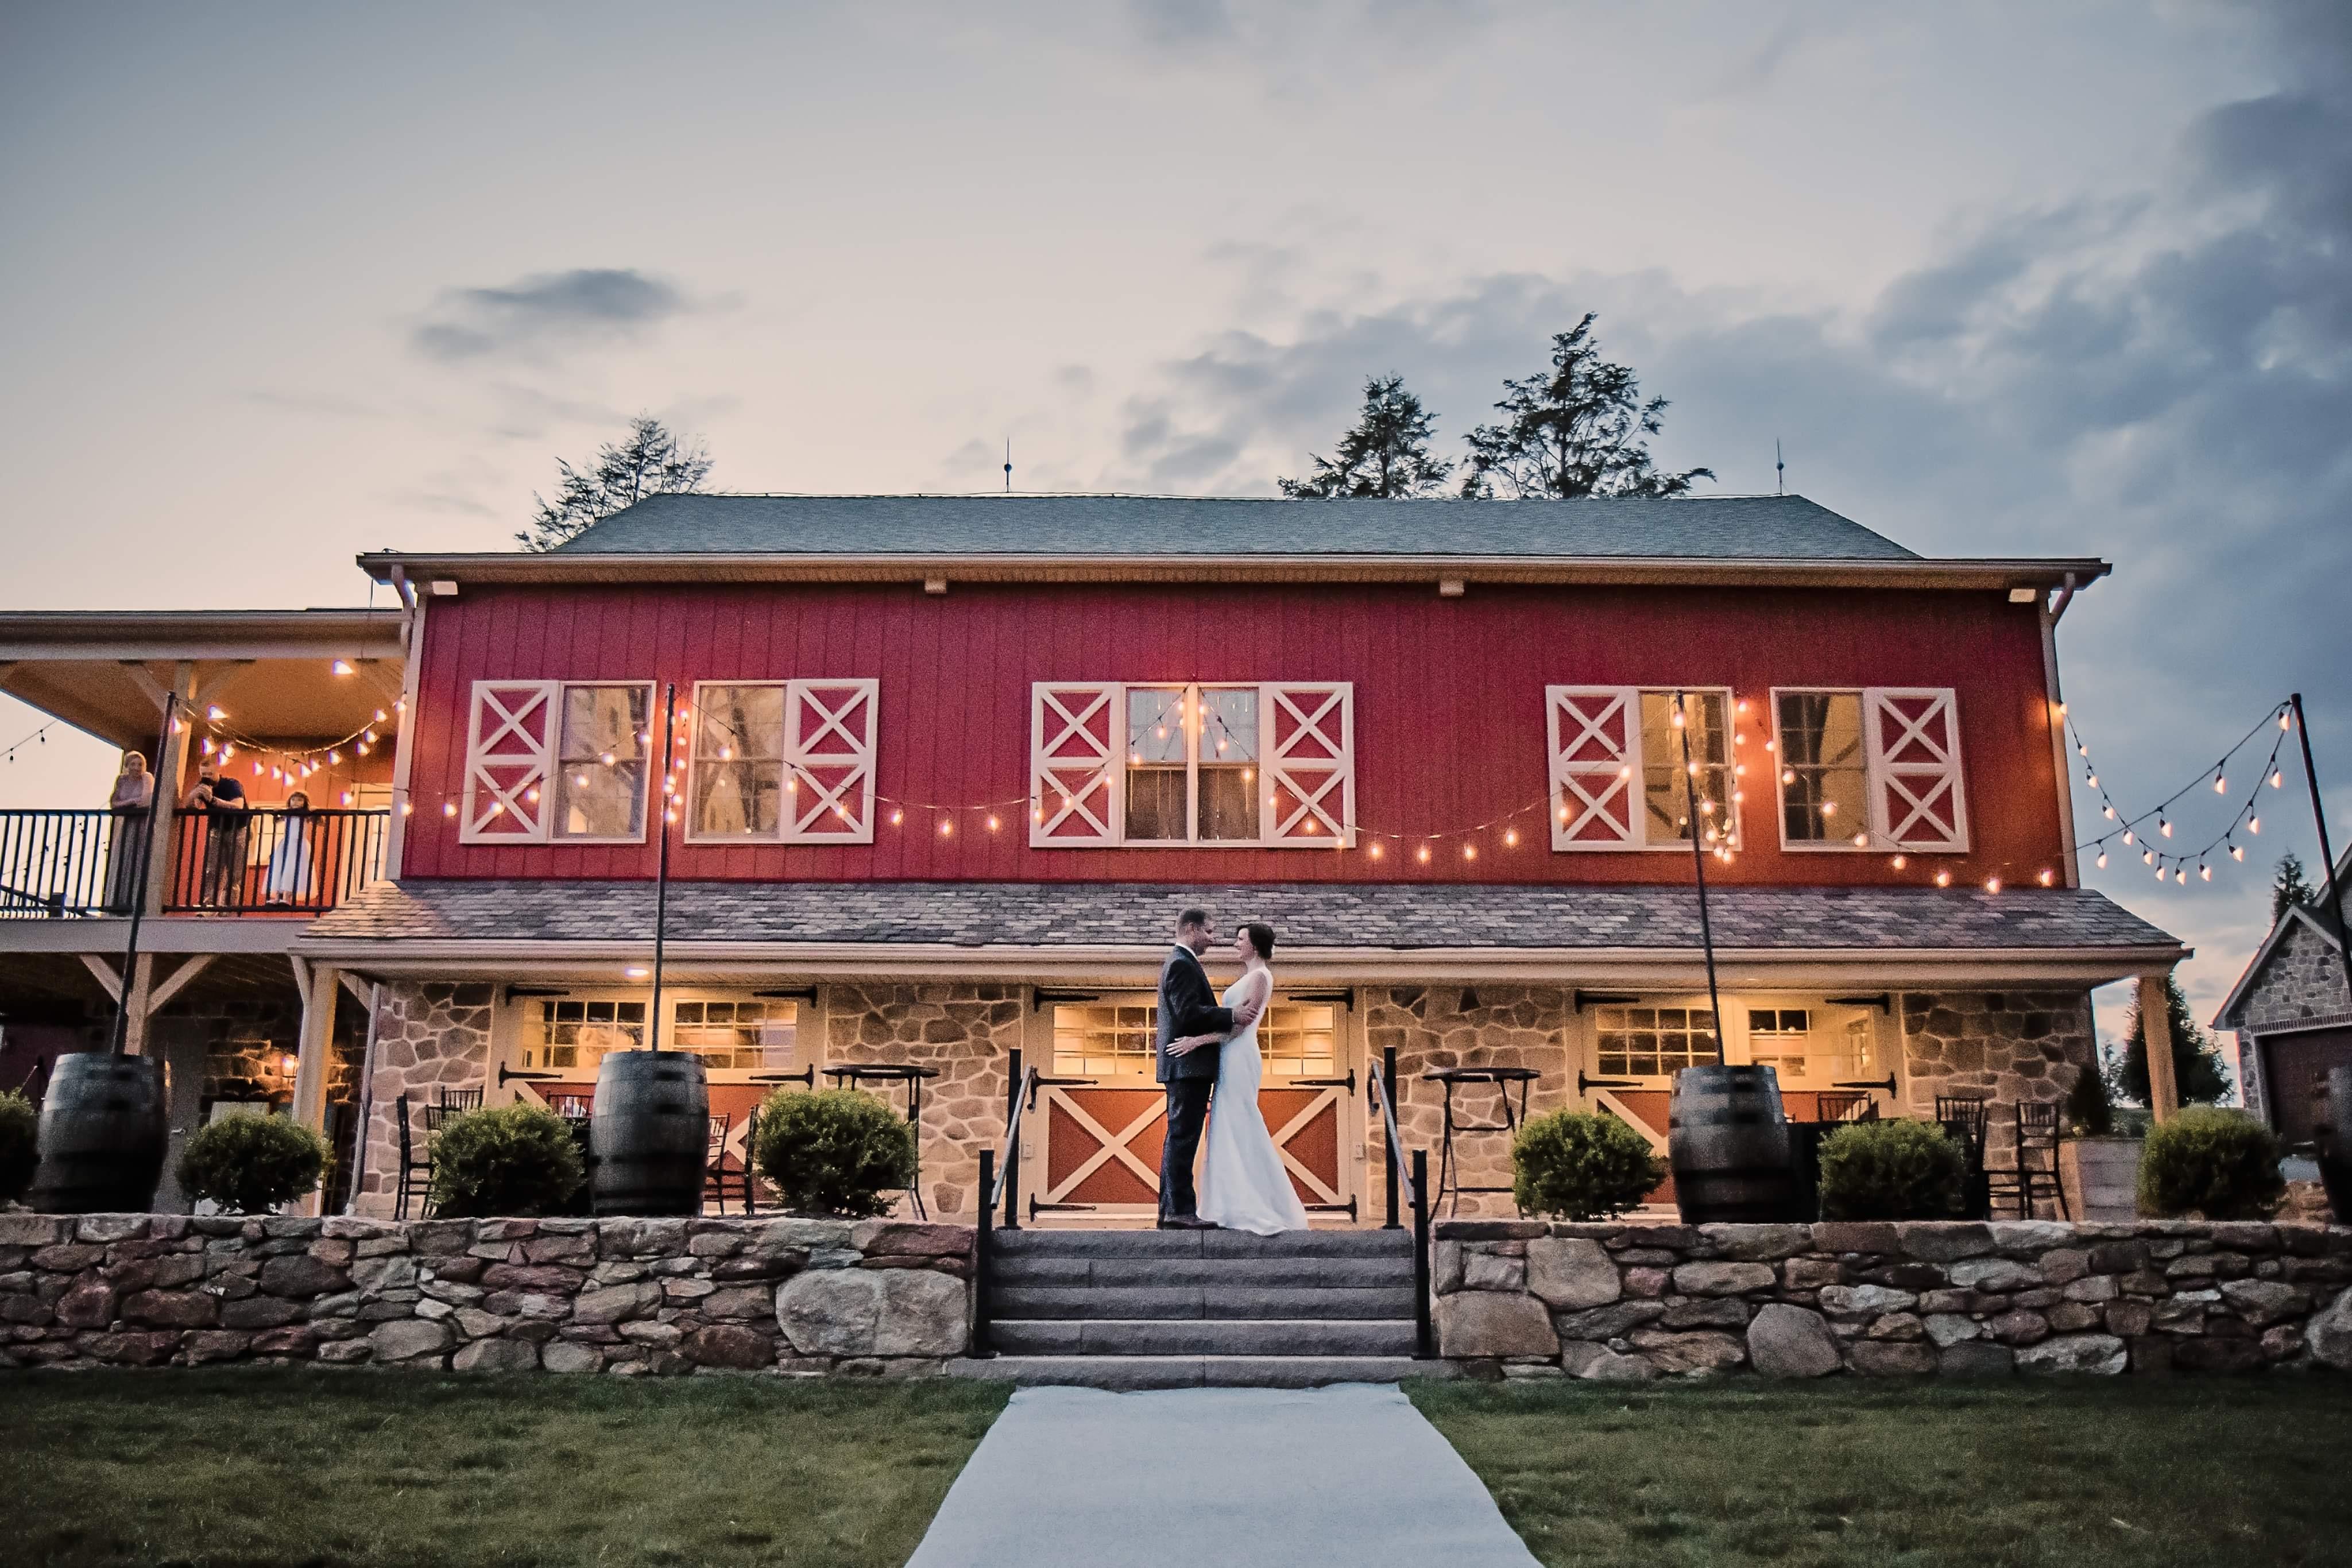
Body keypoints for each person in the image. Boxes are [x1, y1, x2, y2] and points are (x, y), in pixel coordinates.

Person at [1169, 920, 1310, 1236]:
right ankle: (1227, 1203)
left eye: (1240, 939)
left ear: (1255, 945)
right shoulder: (1249, 977)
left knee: (1240, 1122)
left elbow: (1241, 1026)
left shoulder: (1260, 977)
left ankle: (1256, 1204)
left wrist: (1197, 1041)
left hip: (1240, 1055)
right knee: (1225, 1125)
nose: (1235, 944)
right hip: (1228, 1057)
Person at [1152, 908, 1262, 1230]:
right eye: (1209, 932)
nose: (1213, 940)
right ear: (1191, 929)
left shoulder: (1182, 962)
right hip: (1187, 1067)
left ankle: (1170, 1211)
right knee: (1183, 1139)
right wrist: (1230, 1015)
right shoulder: (1181, 964)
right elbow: (1187, 1013)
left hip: (1187, 1067)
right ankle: (1179, 1211)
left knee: (1179, 1138)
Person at [184, 761, 249, 908]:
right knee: (212, 869)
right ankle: (208, 906)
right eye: (204, 774)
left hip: (238, 829)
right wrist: (194, 794)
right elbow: (192, 806)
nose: (207, 777)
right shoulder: (202, 786)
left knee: (235, 872)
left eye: (210, 773)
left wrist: (213, 800)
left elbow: (238, 806)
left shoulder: (232, 784)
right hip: (217, 829)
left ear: (218, 771)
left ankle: (227, 907)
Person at [102, 752, 154, 912]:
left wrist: (126, 805)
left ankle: (135, 900)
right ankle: (117, 900)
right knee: (122, 858)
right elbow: (114, 803)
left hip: (142, 824)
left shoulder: (147, 778)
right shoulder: (122, 780)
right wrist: (131, 802)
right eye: (133, 764)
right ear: (127, 766)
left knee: (138, 859)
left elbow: (146, 800)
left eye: (140, 764)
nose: (137, 768)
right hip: (127, 824)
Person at [263, 789, 315, 907]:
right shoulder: (287, 814)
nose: (296, 802)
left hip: (298, 844)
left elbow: (319, 821)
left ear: (305, 803)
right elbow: (277, 821)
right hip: (286, 843)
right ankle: (277, 897)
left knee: (292, 870)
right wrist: (277, 813)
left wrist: (314, 811)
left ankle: (287, 897)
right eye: (293, 799)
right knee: (280, 869)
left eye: (300, 800)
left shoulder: (306, 815)